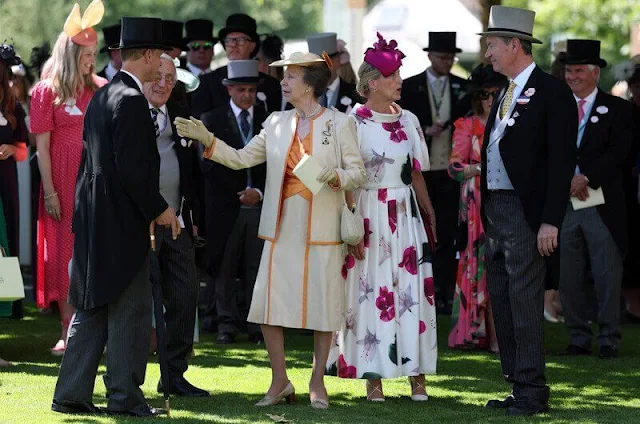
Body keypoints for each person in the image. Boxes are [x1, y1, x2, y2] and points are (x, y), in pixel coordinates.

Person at [175, 51, 365, 409]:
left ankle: (317, 382)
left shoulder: (340, 123)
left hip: (323, 227)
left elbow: (358, 173)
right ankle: (280, 381)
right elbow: (241, 158)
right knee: (268, 307)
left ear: (308, 84)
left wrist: (336, 175)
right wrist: (207, 138)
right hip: (281, 226)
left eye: (290, 76)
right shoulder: (276, 122)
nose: (283, 82)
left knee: (324, 306)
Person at [51, 17, 179, 417]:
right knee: (130, 311)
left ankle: (71, 394)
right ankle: (124, 397)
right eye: (159, 54)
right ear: (147, 55)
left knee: (91, 308)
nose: (162, 62)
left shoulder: (105, 95)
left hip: (93, 221)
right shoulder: (131, 100)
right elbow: (133, 171)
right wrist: (160, 209)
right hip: (121, 225)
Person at [325, 32, 437, 402]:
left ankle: (418, 380)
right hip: (369, 213)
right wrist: (351, 226)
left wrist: (429, 211)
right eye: (392, 75)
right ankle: (373, 380)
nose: (399, 80)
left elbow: (415, 172)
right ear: (372, 82)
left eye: (399, 74)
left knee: (411, 292)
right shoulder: (352, 122)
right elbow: (347, 178)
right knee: (371, 292)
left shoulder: (410, 119)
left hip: (405, 215)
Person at [479, 6, 578, 416]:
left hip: (525, 211)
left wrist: (550, 220)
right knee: (502, 297)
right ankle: (517, 384)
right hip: (496, 210)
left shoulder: (552, 92)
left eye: (492, 45)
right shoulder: (506, 91)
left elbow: (561, 163)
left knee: (523, 298)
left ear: (514, 45)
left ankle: (533, 390)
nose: (487, 53)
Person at [29, 0, 107, 355]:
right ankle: (67, 330)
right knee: (63, 254)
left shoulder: (100, 88)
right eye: (86, 54)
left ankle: (96, 329)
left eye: (93, 53)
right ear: (71, 54)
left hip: (94, 180)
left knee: (93, 252)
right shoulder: (46, 92)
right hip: (60, 182)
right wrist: (50, 193)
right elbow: (42, 148)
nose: (92, 59)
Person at [559, 39, 632, 359]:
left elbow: (620, 152)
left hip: (601, 203)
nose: (572, 76)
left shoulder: (618, 109)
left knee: (607, 273)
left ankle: (608, 338)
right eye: (568, 71)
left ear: (594, 73)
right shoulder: (555, 106)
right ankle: (577, 337)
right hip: (564, 202)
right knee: (568, 274)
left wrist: (586, 177)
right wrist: (566, 180)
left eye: (578, 70)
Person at [141, 54, 207, 396]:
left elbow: (192, 170)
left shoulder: (181, 113)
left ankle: (174, 375)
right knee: (137, 304)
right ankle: (127, 382)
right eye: (157, 76)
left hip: (178, 222)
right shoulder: (131, 112)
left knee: (185, 297)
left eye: (170, 79)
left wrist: (192, 215)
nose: (164, 84)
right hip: (139, 225)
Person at [399, 32, 470, 314]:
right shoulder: (409, 86)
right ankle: (421, 288)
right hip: (423, 170)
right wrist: (425, 131)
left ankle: (444, 290)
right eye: (442, 57)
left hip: (450, 170)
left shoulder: (463, 87)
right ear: (430, 56)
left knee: (448, 231)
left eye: (451, 57)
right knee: (422, 228)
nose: (447, 61)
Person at [199, 60, 267, 344]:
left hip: (258, 205)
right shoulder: (211, 119)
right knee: (224, 267)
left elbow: (276, 163)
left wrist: (258, 192)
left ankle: (255, 325)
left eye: (251, 90)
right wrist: (240, 192)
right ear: (229, 89)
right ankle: (226, 324)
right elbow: (207, 167)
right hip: (225, 206)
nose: (247, 95)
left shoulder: (268, 119)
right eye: (241, 89)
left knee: (256, 268)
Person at [447, 64, 506, 352]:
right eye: (485, 94)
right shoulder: (466, 125)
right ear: (476, 97)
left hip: (505, 200)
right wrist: (481, 168)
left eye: (496, 94)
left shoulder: (510, 124)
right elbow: (454, 168)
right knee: (479, 264)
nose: (490, 99)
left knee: (504, 266)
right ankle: (479, 333)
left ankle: (501, 335)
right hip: (475, 207)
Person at [191, 13, 282, 117]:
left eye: (240, 40)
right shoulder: (207, 82)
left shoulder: (271, 85)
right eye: (229, 40)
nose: (234, 45)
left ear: (252, 46)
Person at [0, 43, 28, 323]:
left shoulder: (13, 107)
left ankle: (7, 303)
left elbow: (23, 151)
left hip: (6, 183)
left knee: (6, 240)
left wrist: (11, 148)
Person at [620, 59, 640, 322]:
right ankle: (632, 306)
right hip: (629, 190)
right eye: (636, 85)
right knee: (631, 245)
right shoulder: (625, 113)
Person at [306, 32, 358, 113]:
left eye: (325, 62)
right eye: (314, 64)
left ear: (337, 61)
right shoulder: (302, 93)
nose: (320, 68)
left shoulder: (355, 94)